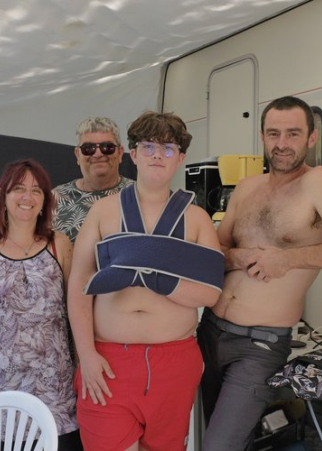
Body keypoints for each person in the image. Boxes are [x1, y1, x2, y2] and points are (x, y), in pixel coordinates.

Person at [197, 96, 322, 450]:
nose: (282, 144)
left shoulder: (320, 183)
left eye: (293, 133)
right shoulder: (247, 188)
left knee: (218, 447)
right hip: (211, 330)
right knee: (219, 438)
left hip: (259, 344)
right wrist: (239, 257)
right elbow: (214, 255)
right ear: (263, 137)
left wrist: (288, 259)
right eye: (273, 133)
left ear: (311, 138)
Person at [68, 111, 224, 451]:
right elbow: (79, 290)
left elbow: (211, 293)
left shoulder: (196, 219)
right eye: (149, 146)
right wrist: (87, 355)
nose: (157, 154)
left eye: (168, 148)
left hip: (173, 361)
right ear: (133, 154)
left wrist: (158, 279)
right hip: (108, 362)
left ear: (181, 158)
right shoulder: (102, 212)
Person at [0, 159, 82, 450]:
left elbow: (76, 309)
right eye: (18, 189)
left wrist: (80, 364)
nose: (27, 197)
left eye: (36, 190)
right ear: (3, 196)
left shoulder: (59, 245)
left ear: (44, 202)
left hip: (56, 389)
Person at [53, 117, 135, 243]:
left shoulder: (138, 195)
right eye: (88, 148)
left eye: (107, 147)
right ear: (77, 155)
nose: (98, 154)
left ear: (120, 153)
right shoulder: (54, 199)